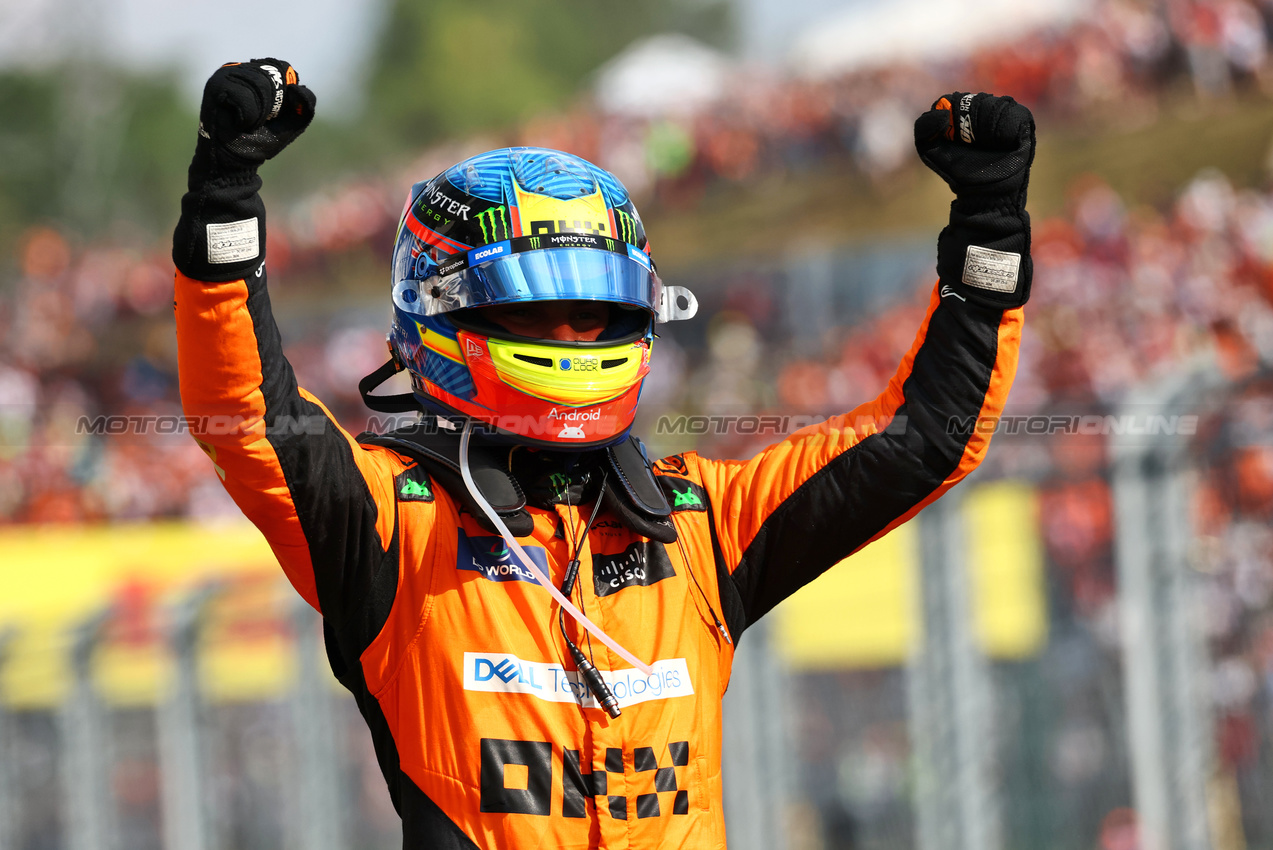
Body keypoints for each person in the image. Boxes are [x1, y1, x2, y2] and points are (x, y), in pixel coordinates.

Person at [173, 59, 1033, 849]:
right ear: (438, 317)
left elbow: (922, 441)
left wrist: (989, 231)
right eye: (534, 317)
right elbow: (246, 417)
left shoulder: (699, 523)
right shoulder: (390, 521)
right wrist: (223, 202)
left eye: (597, 315)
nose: (573, 340)